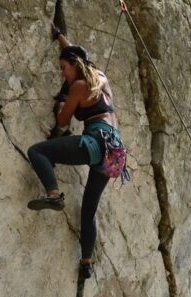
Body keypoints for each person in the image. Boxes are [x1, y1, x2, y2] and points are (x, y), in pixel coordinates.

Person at [26, 27, 123, 279]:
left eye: (63, 68)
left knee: (37, 152)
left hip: (96, 143)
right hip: (115, 152)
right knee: (88, 210)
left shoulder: (79, 86)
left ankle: (54, 194)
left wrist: (61, 105)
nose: (62, 73)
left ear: (74, 65)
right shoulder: (100, 77)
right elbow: (75, 54)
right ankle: (86, 263)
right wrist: (60, 37)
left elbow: (62, 122)